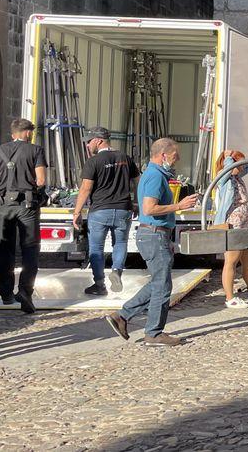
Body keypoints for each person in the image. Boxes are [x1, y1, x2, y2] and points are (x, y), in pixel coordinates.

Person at [105, 138, 197, 346]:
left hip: (156, 234)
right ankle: (154, 333)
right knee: (163, 286)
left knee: (158, 282)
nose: (177, 159)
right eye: (175, 156)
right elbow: (149, 209)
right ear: (163, 155)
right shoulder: (155, 176)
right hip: (154, 234)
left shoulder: (155, 174)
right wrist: (179, 206)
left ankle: (123, 316)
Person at [0, 118, 48, 314]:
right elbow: (41, 180)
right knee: (30, 249)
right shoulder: (35, 150)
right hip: (27, 205)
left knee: (4, 249)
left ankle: (5, 293)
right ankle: (25, 291)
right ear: (27, 132)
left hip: (3, 205)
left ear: (13, 133)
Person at [72, 127, 136, 296]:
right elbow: (138, 181)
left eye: (89, 141)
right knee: (121, 243)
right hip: (123, 209)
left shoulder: (93, 162)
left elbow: (86, 188)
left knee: (96, 248)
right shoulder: (125, 158)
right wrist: (136, 202)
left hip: (100, 210)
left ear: (99, 140)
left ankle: (99, 284)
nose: (87, 145)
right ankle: (116, 271)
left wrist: (77, 212)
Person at [213, 150, 248, 308]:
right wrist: (229, 158)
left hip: (245, 219)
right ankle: (230, 297)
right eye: (240, 163)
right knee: (231, 260)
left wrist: (244, 161)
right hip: (234, 221)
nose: (242, 166)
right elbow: (226, 172)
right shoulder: (223, 178)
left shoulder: (237, 177)